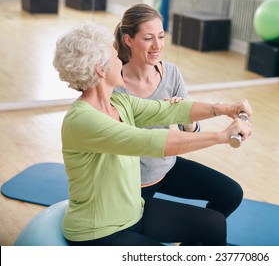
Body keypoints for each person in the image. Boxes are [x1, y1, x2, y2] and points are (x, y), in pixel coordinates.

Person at [53, 21, 252, 246]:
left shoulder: (119, 101)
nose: (121, 60)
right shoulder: (83, 120)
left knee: (213, 223)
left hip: (134, 211)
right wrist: (222, 136)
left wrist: (227, 109)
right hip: (100, 230)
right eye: (116, 57)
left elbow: (171, 109)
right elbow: (152, 142)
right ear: (100, 69)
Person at [113, 3, 243, 219]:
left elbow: (189, 130)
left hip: (167, 167)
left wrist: (184, 112)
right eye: (148, 38)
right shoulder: (115, 84)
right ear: (129, 40)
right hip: (132, 181)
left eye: (161, 36)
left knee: (231, 194)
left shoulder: (171, 72)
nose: (157, 45)